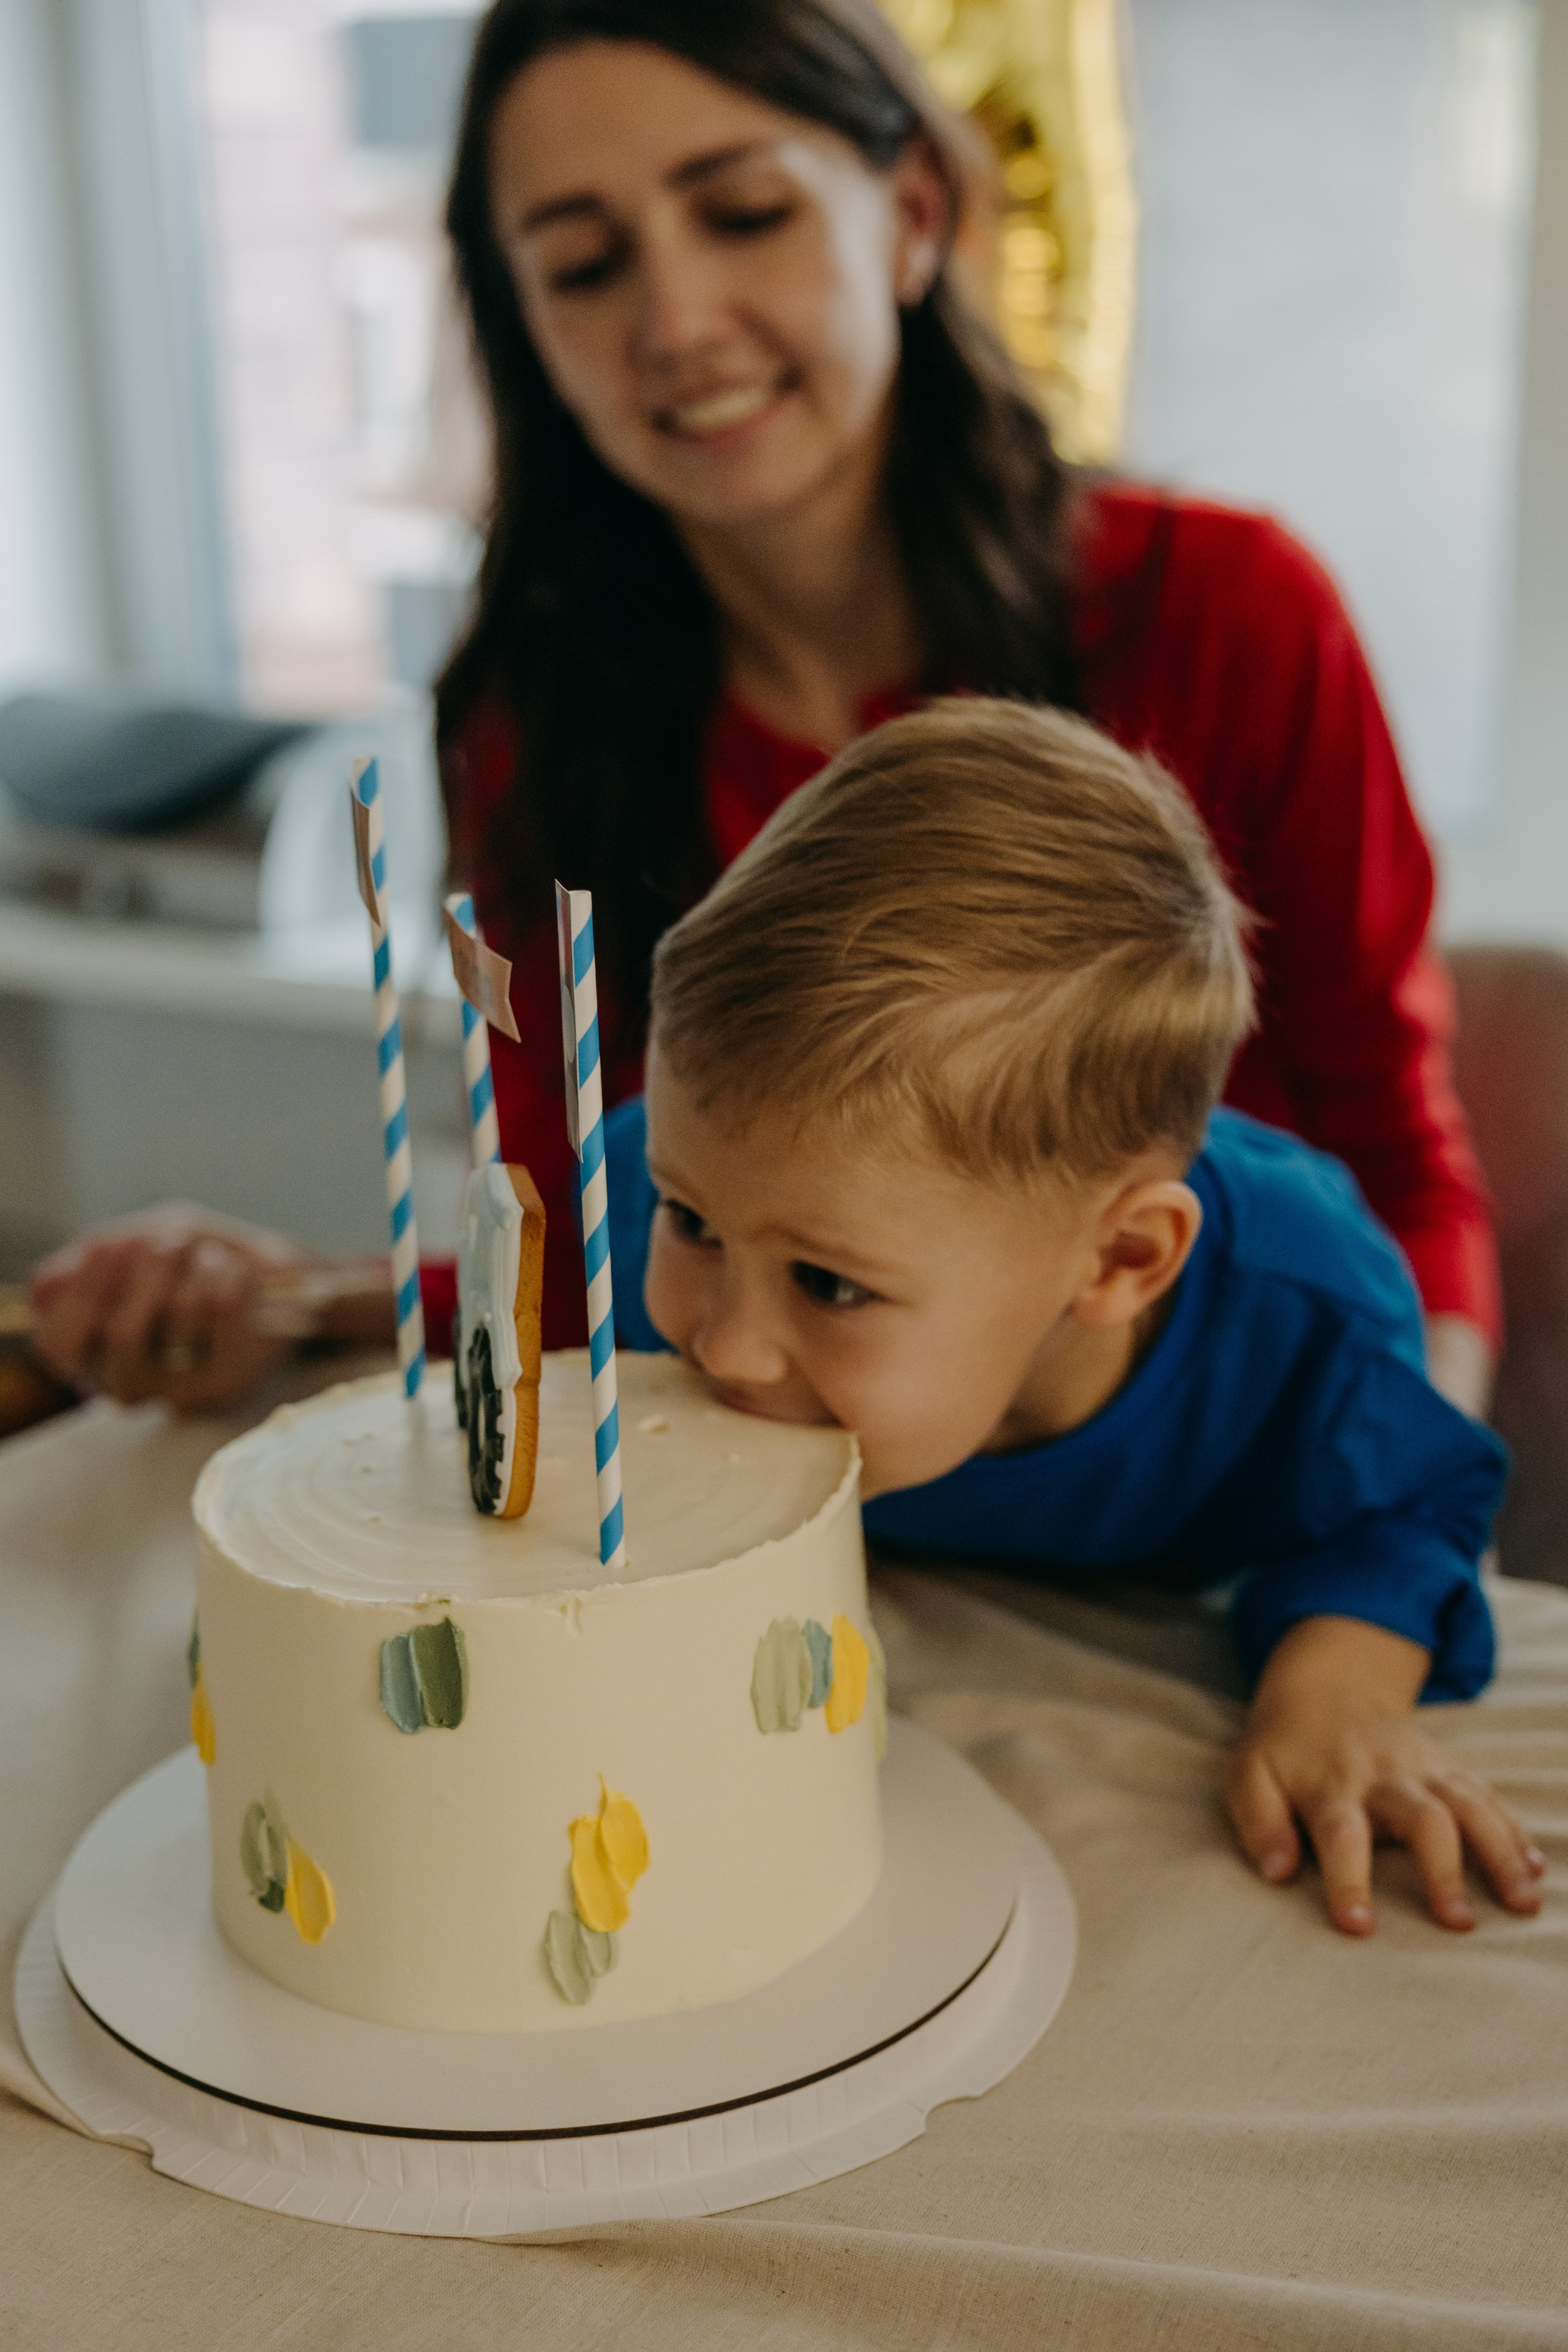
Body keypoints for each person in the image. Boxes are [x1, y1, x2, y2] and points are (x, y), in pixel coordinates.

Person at [28, 0, 1499, 1419]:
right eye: (585, 265)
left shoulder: (1230, 612)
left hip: (1202, 1502)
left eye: (741, 215)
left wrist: (1402, 1500)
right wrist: (282, 1307)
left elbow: (1399, 1161)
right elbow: (588, 1255)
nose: (674, 319)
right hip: (818, 1518)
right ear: (522, 326)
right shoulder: (535, 720)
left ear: (912, 211)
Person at [600, 695, 1543, 1938]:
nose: (719, 1341)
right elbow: (536, 1331)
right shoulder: (652, 1190)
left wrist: (1331, 1693)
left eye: (829, 1286)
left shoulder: (1305, 1327)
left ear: (1119, 1260)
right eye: (693, 1223)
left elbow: (1401, 1515)